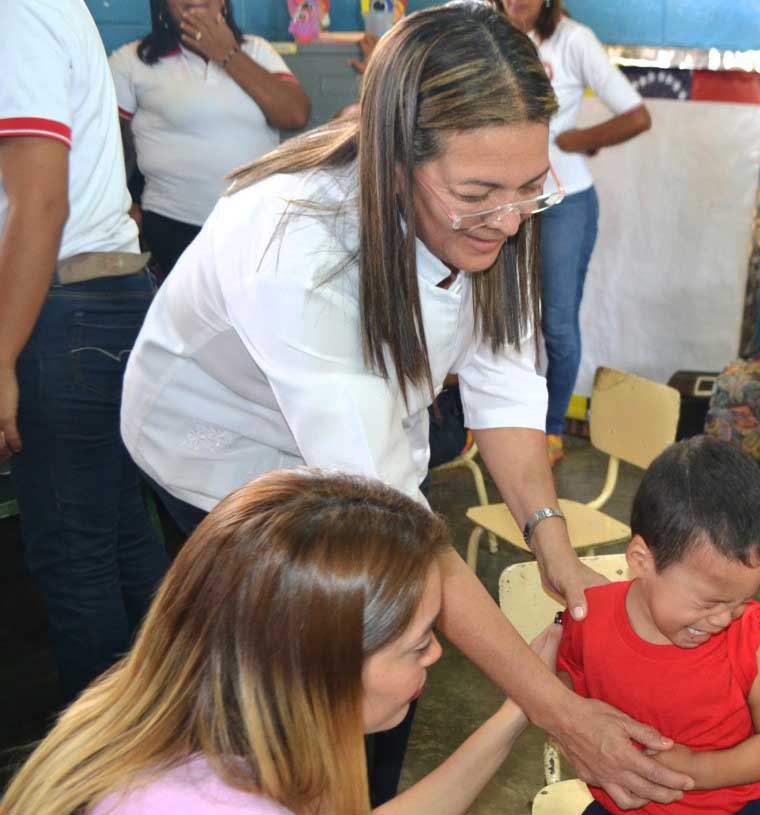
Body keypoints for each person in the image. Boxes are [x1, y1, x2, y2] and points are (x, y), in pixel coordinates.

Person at [119, 4, 691, 809]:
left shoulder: (496, 198)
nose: (507, 217)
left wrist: (548, 533)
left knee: (389, 662)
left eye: (529, 189)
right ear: (394, 160)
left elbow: (504, 381)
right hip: (219, 450)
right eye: (478, 193)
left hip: (353, 444)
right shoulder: (298, 244)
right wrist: (557, 710)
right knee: (318, 677)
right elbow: (392, 525)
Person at [0, 468, 562, 815]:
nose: (438, 654)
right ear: (319, 669)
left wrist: (520, 710)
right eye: (418, 646)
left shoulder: (185, 727)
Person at [0, 0, 169, 705]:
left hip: (63, 309)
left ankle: (100, 779)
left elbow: (40, 204)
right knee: (120, 540)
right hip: (98, 301)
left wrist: (0, 357)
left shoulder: (14, 14)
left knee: (78, 562)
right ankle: (165, 751)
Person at [558, 437, 760, 815]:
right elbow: (565, 686)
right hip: (620, 806)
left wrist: (700, 770)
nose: (724, 619)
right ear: (642, 560)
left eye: (740, 601)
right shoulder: (588, 621)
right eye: (710, 602)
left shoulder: (749, 642)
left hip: (731, 809)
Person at [492, 0, 651, 467]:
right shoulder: (486, 29)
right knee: (494, 322)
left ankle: (551, 429)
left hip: (565, 202)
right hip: (505, 198)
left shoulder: (573, 41)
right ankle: (490, 425)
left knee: (556, 326)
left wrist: (572, 140)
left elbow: (636, 115)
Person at [109, 0, 311, 277]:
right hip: (174, 230)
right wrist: (121, 206)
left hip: (258, 228)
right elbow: (103, 144)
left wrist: (228, 53)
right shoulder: (131, 61)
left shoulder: (257, 50)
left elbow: (295, 114)